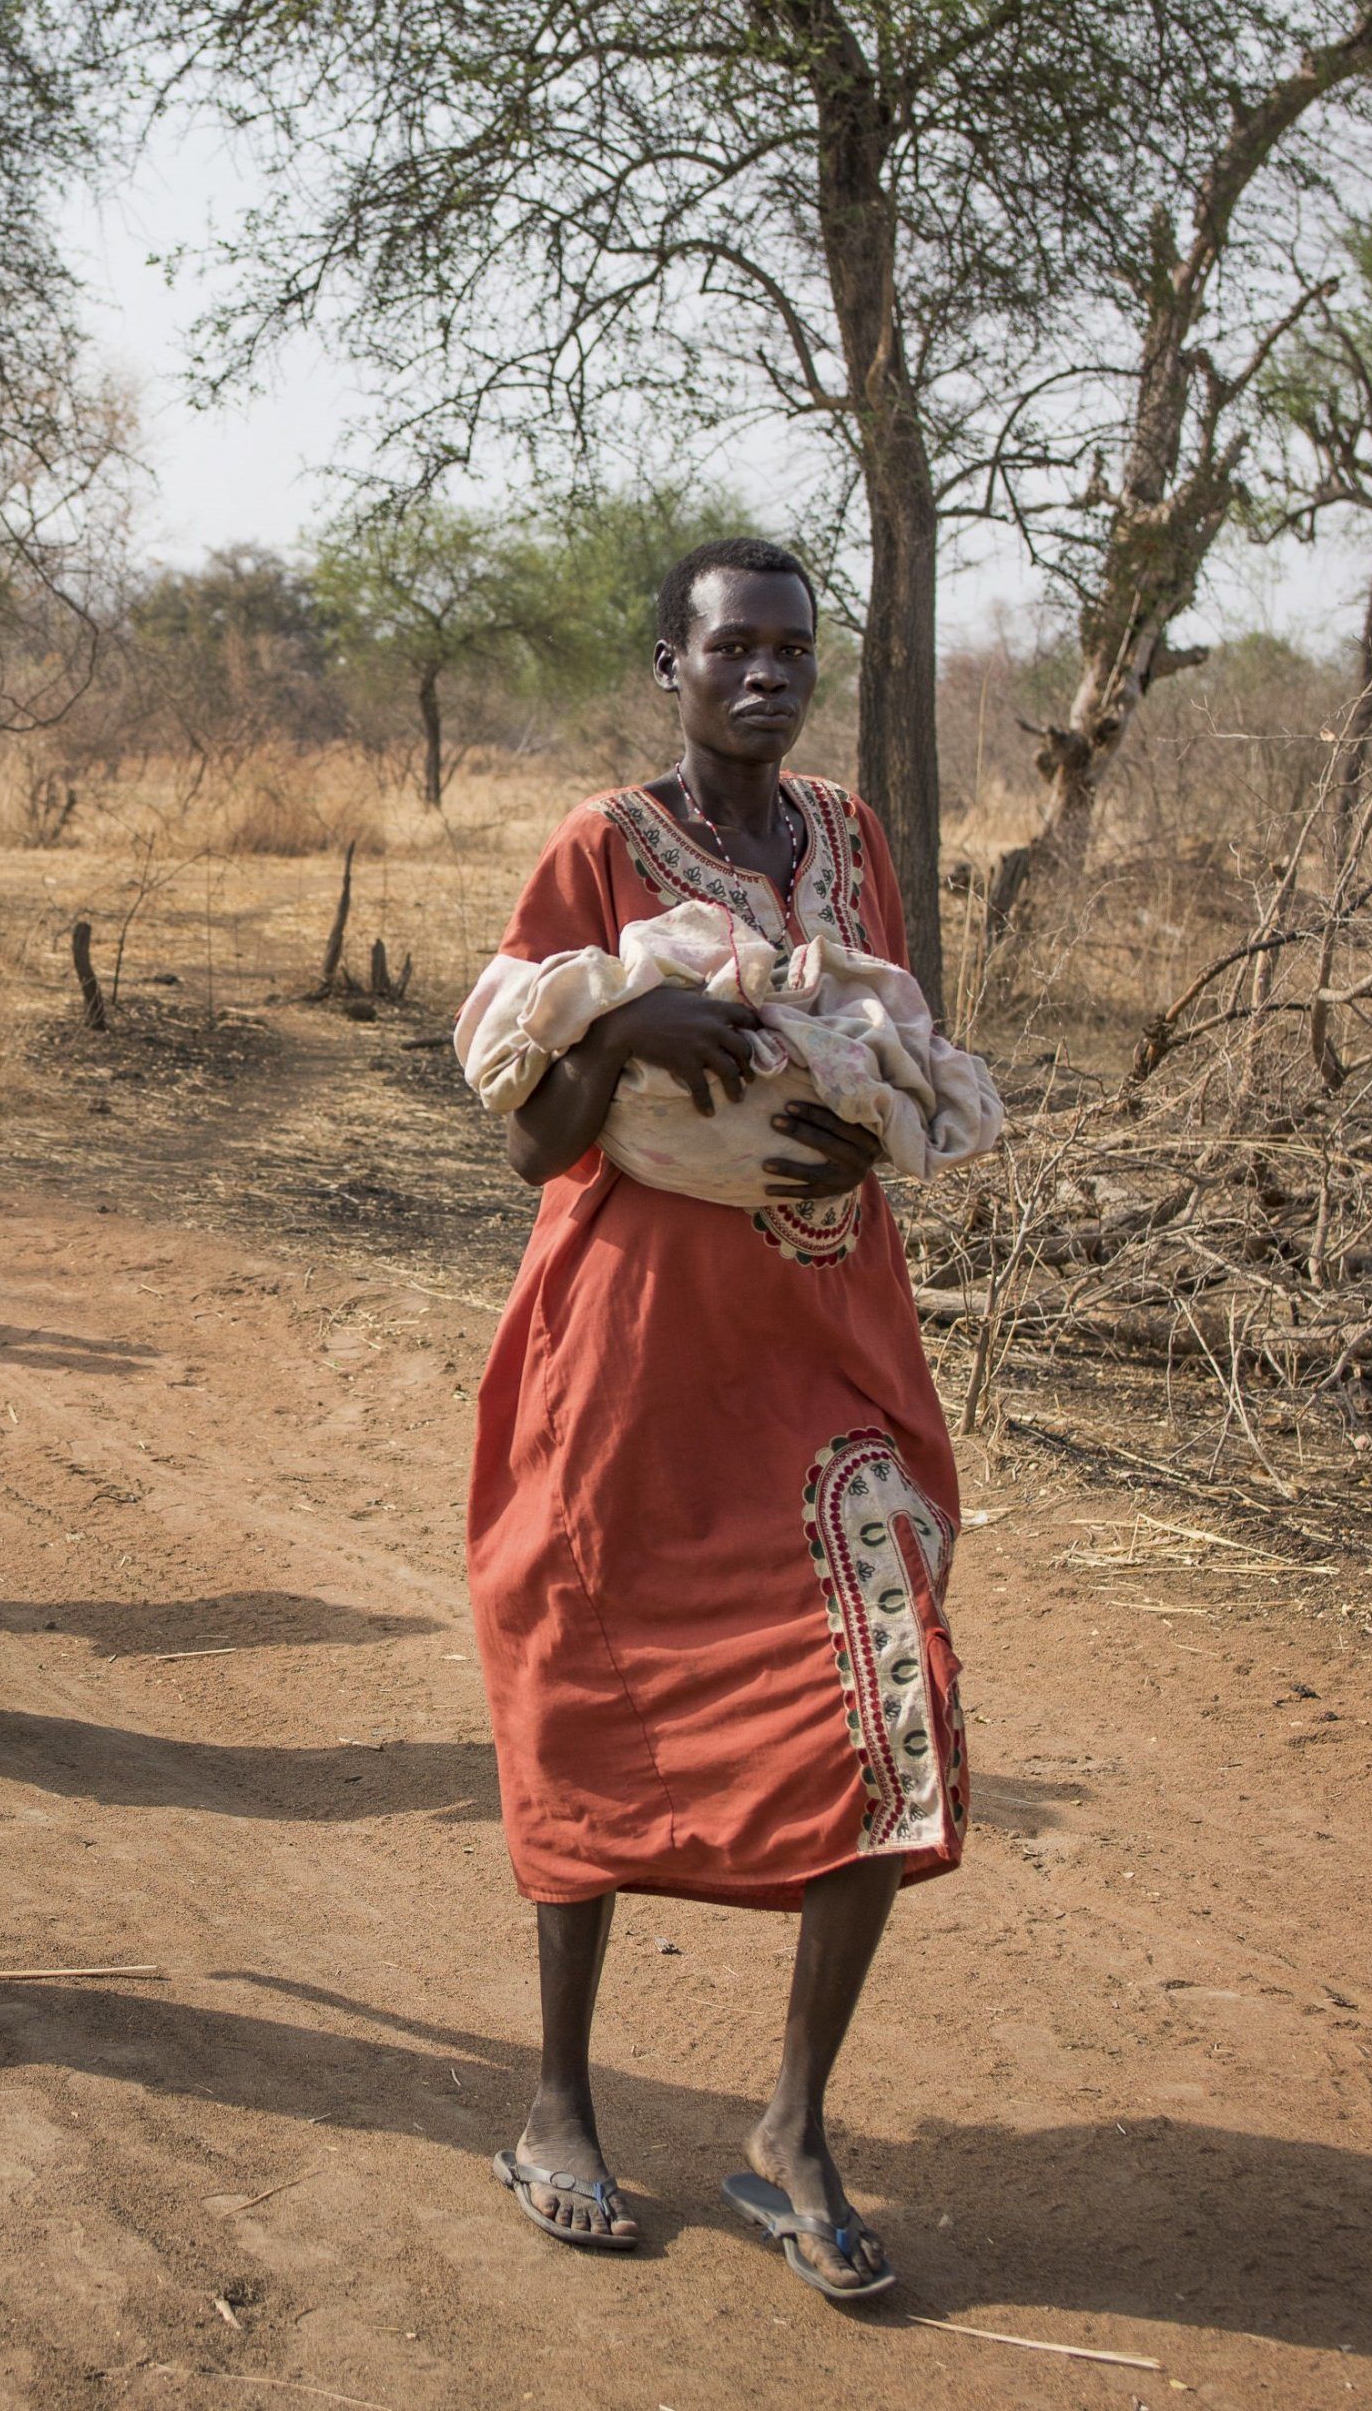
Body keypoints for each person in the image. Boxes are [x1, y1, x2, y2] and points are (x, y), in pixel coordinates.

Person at [460, 538, 962, 2292]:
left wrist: (859, 1103)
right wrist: (635, 1025)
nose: (765, 671)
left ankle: (791, 2124)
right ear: (668, 662)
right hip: (632, 1351)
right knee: (586, 1686)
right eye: (730, 645)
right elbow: (530, 1133)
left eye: (789, 647)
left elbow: (903, 1039)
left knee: (887, 1684)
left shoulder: (853, 836)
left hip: (826, 1333)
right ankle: (556, 2103)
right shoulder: (599, 852)